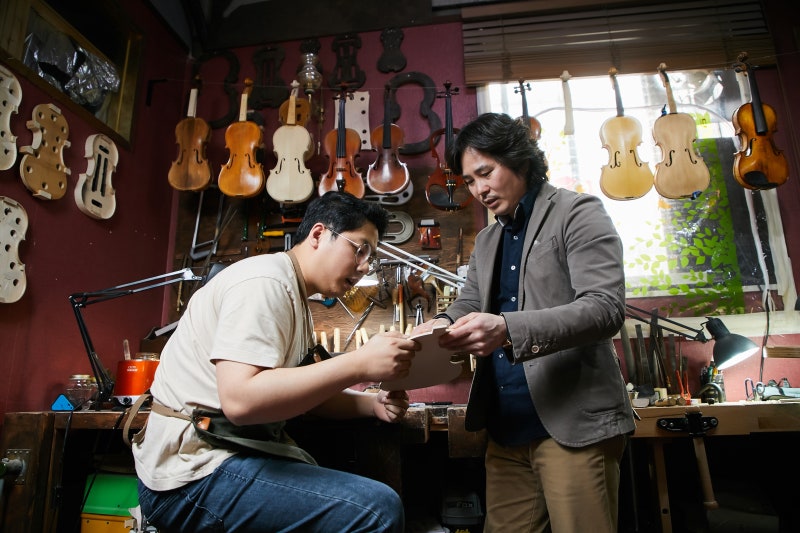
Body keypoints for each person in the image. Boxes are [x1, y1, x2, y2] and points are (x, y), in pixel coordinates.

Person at [131, 191, 418, 533]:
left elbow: (304, 393)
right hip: (190, 474)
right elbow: (241, 401)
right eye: (360, 250)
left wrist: (372, 405)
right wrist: (359, 363)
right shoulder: (265, 282)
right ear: (318, 235)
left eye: (371, 257)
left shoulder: (293, 295)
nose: (365, 266)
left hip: (228, 454)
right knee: (376, 511)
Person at [418, 112, 635, 532]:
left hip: (573, 424)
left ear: (518, 160)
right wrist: (432, 329)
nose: (479, 190)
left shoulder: (578, 211)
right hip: (505, 427)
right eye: (469, 181)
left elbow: (605, 309)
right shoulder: (487, 239)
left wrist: (506, 328)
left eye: (486, 173)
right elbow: (469, 303)